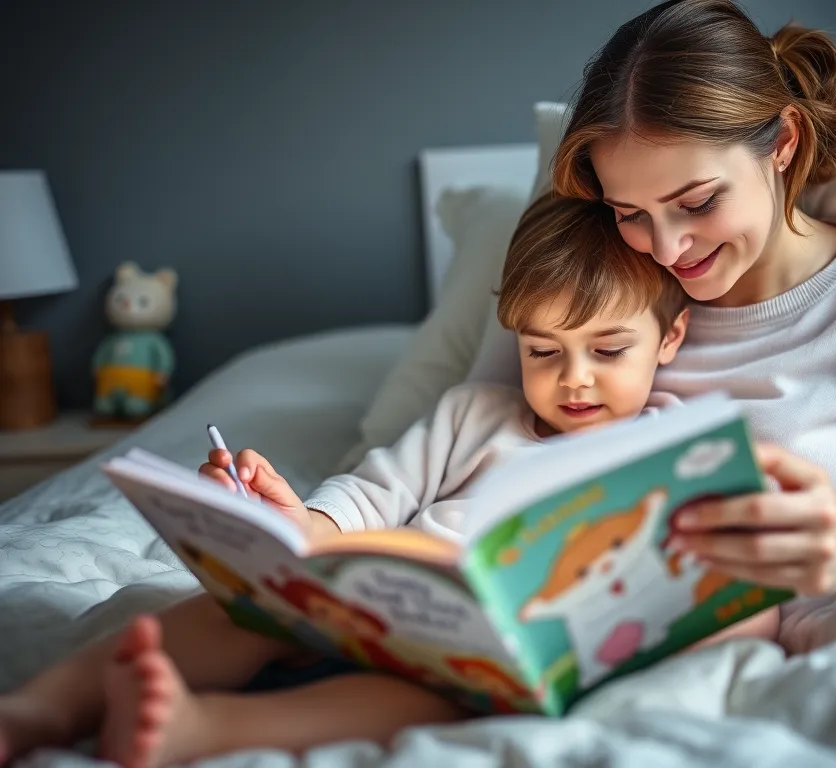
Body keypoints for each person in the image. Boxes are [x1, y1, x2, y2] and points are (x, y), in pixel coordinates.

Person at [0, 195, 777, 767]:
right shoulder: (476, 412)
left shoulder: (673, 447)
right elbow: (367, 496)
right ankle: (41, 707)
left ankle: (206, 734)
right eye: (544, 352)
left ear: (670, 335)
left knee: (434, 697)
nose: (574, 381)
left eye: (608, 351)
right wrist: (289, 524)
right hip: (383, 602)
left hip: (485, 658)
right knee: (228, 611)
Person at [539, 0, 836, 651]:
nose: (666, 248)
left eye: (698, 202)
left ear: (784, 142)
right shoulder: (613, 281)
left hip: (784, 657)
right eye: (630, 212)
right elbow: (493, 438)